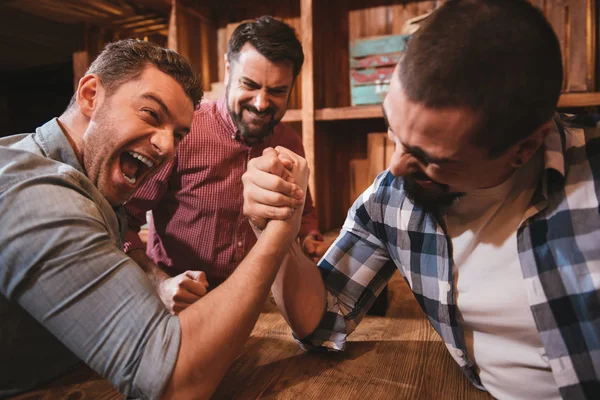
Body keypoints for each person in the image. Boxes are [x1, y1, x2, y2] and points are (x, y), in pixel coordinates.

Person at [241, 1, 599, 399]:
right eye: (392, 129)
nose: (394, 167)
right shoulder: (393, 198)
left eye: (431, 159)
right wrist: (272, 225)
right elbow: (320, 320)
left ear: (523, 148)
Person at [0, 39, 308, 399]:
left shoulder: (91, 181)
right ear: (90, 95)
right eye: (150, 113)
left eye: (179, 135)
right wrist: (280, 229)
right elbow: (175, 382)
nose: (167, 147)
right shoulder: (38, 193)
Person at [124, 16, 326, 315]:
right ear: (228, 70)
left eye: (277, 91)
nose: (261, 103)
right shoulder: (184, 131)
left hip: (256, 303)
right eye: (250, 85)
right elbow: (123, 221)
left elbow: (304, 211)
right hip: (181, 307)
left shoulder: (290, 141)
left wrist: (310, 237)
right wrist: (159, 283)